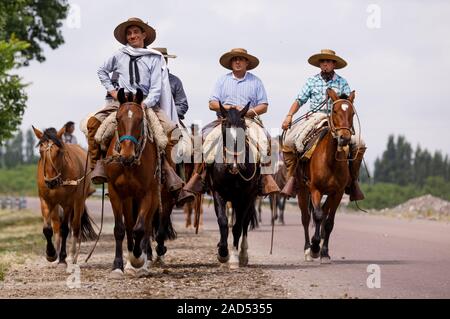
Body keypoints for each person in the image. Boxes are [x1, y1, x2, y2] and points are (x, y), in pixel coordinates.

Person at [86, 17, 193, 204]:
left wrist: (146, 103)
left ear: (144, 35)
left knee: (170, 133)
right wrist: (112, 90)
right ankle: (99, 165)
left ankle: (168, 173)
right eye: (129, 33)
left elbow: (156, 88)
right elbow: (101, 70)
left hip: (145, 102)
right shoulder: (119, 55)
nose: (132, 35)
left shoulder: (154, 58)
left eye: (136, 32)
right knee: (93, 124)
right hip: (121, 102)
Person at [183, 48, 279, 196]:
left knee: (268, 141)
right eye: (235, 59)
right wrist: (229, 108)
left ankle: (266, 178)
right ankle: (198, 176)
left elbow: (264, 106)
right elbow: (212, 103)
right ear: (231, 63)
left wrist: (244, 111)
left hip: (247, 119)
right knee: (201, 140)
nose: (238, 62)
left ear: (247, 62)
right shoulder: (222, 80)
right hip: (225, 119)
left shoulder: (256, 81)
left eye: (241, 59)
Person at [280, 49, 366, 201]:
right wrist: (289, 115)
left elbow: (347, 103)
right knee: (288, 142)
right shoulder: (311, 81)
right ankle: (292, 178)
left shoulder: (342, 82)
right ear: (320, 64)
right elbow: (299, 100)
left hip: (338, 119)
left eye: (328, 61)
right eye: (323, 62)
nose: (325, 64)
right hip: (315, 117)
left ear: (334, 64)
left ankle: (353, 181)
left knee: (359, 143)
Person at [153, 48, 189, 120]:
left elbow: (182, 105)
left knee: (180, 131)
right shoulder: (143, 81)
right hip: (147, 116)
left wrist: (168, 113)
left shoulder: (175, 81)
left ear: (166, 61)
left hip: (170, 118)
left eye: (162, 59)